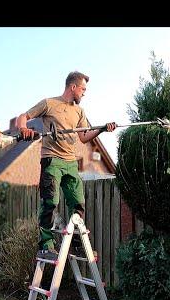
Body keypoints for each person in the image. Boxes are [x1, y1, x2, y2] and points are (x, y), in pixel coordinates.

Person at [15, 71, 117, 259]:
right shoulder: (49, 104)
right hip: (51, 159)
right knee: (50, 201)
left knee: (78, 203)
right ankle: (46, 245)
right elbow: (23, 116)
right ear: (73, 87)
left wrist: (102, 129)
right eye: (83, 89)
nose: (84, 93)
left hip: (71, 162)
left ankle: (77, 245)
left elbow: (84, 136)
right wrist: (23, 128)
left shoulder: (79, 112)